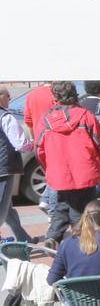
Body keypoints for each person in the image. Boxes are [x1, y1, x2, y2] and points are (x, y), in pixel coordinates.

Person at [35, 81, 100, 245]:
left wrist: (49, 168)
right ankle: (82, 243)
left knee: (62, 205)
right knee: (82, 210)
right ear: (75, 94)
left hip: (60, 172)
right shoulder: (85, 115)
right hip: (85, 170)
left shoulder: (46, 120)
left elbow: (38, 149)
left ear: (55, 96)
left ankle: (53, 236)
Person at [0, 86, 34, 243]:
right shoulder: (5, 117)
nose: (10, 98)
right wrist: (33, 144)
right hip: (4, 168)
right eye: (8, 95)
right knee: (2, 207)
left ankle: (22, 237)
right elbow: (20, 144)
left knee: (7, 208)